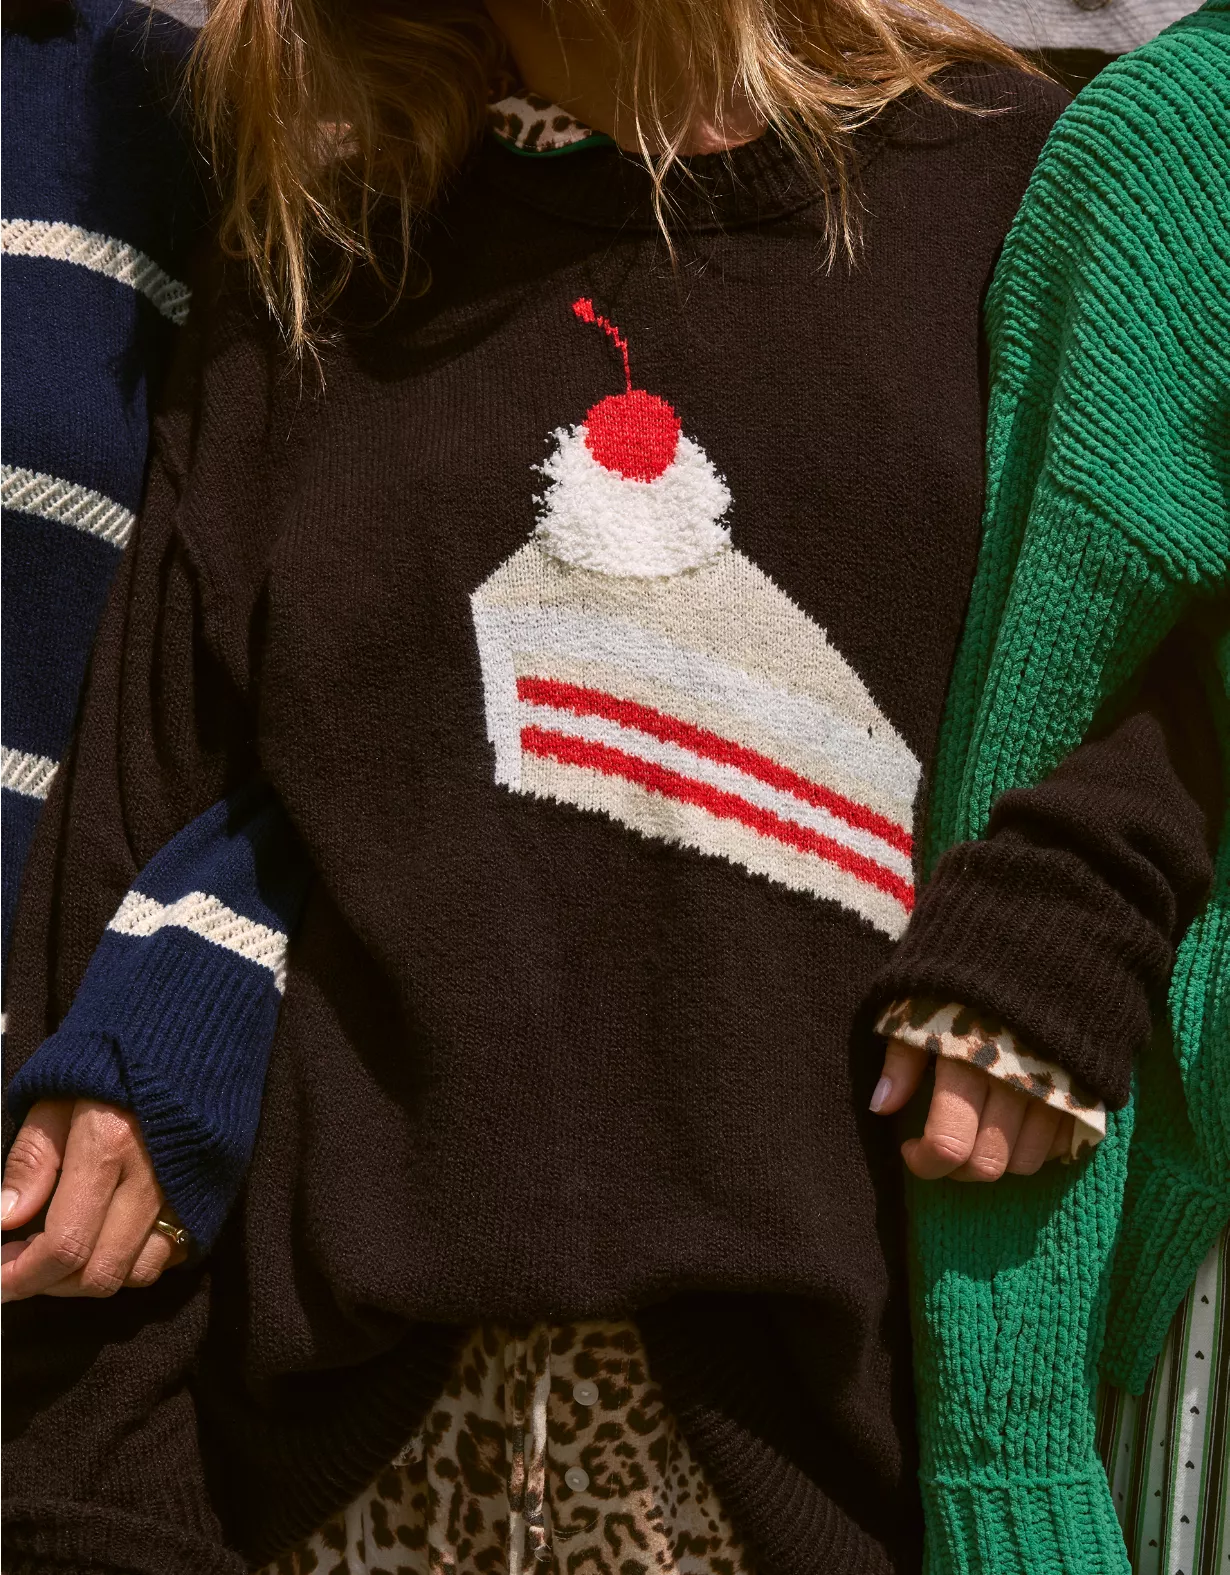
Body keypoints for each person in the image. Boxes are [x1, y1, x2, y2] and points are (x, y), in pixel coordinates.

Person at [0, 2, 1213, 1573]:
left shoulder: (1017, 190)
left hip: (832, 1466)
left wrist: (1067, 900)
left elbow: (1173, 647)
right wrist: (90, 1517)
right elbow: (128, 878)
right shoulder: (321, 270)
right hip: (331, 1484)